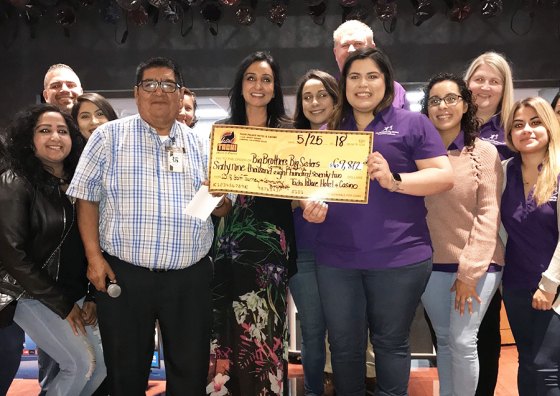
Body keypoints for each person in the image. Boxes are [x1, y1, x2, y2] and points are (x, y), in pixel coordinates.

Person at [67, 57, 231, 395]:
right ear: (136, 93)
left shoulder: (201, 144)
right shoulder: (108, 138)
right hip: (125, 276)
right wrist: (94, 259)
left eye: (168, 84)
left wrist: (220, 198)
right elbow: (86, 199)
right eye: (150, 84)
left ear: (180, 93)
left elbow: (220, 207)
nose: (159, 91)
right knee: (126, 374)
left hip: (190, 277)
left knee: (190, 372)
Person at [305, 47, 453, 396]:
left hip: (399, 258)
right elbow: (311, 186)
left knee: (390, 343)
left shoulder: (412, 124)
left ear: (386, 82)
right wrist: (310, 205)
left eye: (372, 76)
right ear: (344, 84)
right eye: (354, 77)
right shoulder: (328, 131)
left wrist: (394, 180)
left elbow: (443, 177)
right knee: (343, 345)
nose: (363, 84)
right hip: (337, 259)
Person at [0, 103, 105, 396]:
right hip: (30, 295)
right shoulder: (15, 182)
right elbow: (13, 256)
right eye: (44, 131)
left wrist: (92, 295)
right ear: (29, 140)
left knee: (101, 368)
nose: (54, 137)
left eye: (62, 130)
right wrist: (62, 304)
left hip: (75, 292)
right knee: (80, 364)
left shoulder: (77, 184)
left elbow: (90, 244)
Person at [210, 51, 296, 396]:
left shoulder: (291, 133)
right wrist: (217, 201)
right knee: (228, 329)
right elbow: (222, 205)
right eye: (250, 78)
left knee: (268, 330)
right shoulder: (222, 131)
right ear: (240, 85)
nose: (257, 85)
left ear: (275, 88)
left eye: (266, 79)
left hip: (272, 246)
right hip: (230, 244)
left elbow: (298, 193)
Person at [420, 73, 504, 396]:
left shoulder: (483, 153)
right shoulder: (418, 155)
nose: (442, 106)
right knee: (444, 340)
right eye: (435, 100)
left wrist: (469, 272)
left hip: (477, 267)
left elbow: (488, 216)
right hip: (432, 267)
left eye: (451, 98)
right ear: (426, 108)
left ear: (465, 104)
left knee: (462, 340)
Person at [501, 96, 560, 396]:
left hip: (554, 287)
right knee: (527, 361)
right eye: (519, 125)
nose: (527, 130)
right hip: (515, 284)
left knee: (546, 367)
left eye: (536, 123)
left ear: (549, 126)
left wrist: (550, 285)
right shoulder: (504, 170)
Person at [464, 51, 515, 396]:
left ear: (504, 88)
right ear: (467, 82)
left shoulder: (514, 128)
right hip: (451, 234)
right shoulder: (448, 122)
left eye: (493, 81)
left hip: (502, 239)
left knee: (486, 328)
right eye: (479, 79)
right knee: (453, 329)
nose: (484, 87)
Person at [289, 69, 338, 396]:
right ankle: (312, 391)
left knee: (345, 330)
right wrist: (303, 200)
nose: (314, 102)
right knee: (311, 328)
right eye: (307, 97)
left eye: (322, 95)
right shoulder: (290, 141)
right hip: (304, 249)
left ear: (336, 99)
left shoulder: (352, 138)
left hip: (345, 251)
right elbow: (281, 185)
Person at [332, 19, 409, 110]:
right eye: (345, 45)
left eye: (358, 43)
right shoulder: (325, 91)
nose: (351, 50)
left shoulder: (395, 91)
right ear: (335, 52)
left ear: (372, 48)